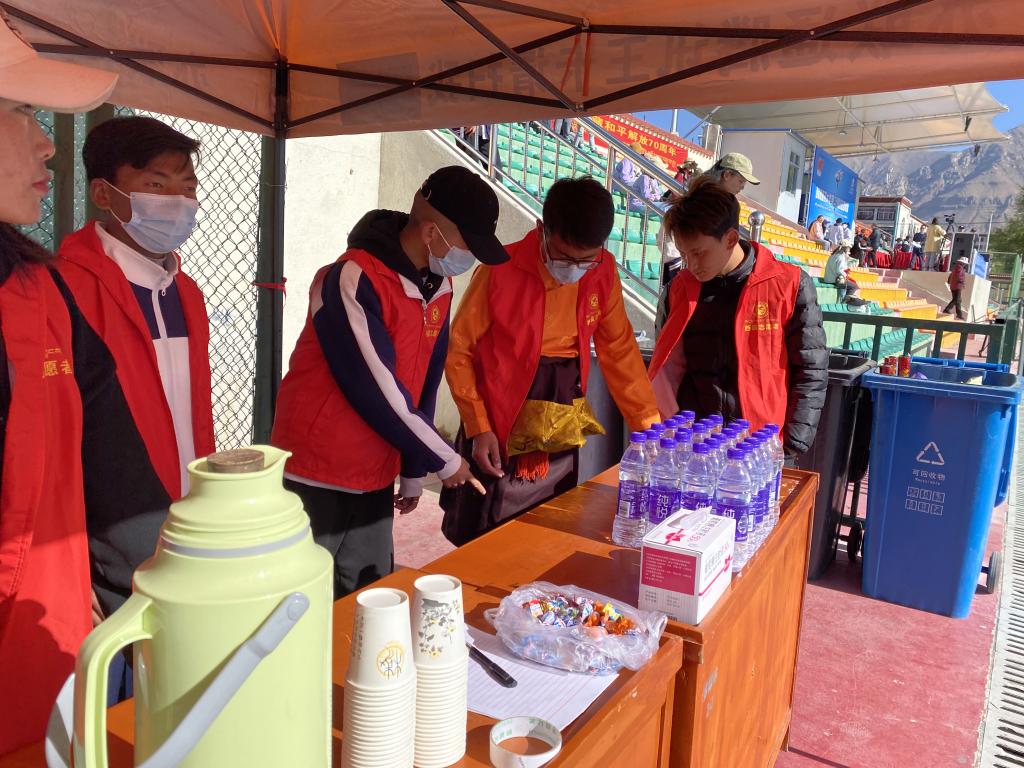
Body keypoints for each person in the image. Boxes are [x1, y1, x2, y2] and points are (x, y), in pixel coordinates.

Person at [0, 12, 144, 753]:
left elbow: (113, 461)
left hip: (47, 668)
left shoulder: (38, 290)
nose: (47, 143)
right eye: (20, 111)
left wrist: (160, 580)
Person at [270, 166, 506, 598]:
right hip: (318, 468)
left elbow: (426, 382)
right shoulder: (351, 277)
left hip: (375, 471)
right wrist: (444, 458)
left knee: (369, 594)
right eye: (467, 246)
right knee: (300, 598)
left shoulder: (440, 286)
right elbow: (375, 387)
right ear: (431, 233)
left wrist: (413, 471)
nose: (468, 258)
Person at [441, 177, 660, 545]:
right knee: (486, 527)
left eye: (585, 260)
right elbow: (459, 349)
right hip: (499, 419)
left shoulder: (603, 270)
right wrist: (479, 425)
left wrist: (648, 426)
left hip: (561, 414)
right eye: (563, 257)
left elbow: (619, 350)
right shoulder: (500, 267)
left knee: (552, 521)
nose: (574, 269)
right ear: (541, 229)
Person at [57, 117, 216, 617]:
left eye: (187, 187)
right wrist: (69, 558)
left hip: (188, 531)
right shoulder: (62, 291)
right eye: (157, 185)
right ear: (103, 194)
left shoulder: (186, 293)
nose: (178, 202)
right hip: (106, 554)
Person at [647, 179, 828, 461]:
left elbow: (811, 368)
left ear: (730, 239)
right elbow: (667, 367)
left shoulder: (789, 285)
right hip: (694, 448)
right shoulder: (677, 291)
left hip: (760, 448)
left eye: (699, 253)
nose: (691, 265)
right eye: (684, 254)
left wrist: (793, 443)